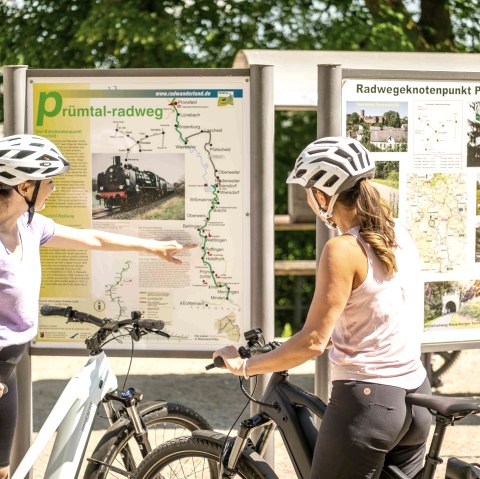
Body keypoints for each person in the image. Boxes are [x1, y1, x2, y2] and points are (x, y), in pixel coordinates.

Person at [214, 136, 431, 479]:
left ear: (322, 195)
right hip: (417, 399)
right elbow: (381, 308)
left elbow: (312, 342)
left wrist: (245, 366)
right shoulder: (397, 233)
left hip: (369, 404)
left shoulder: (341, 250)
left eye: (307, 190)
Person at [0, 134, 195, 479]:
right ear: (25, 186)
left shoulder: (30, 226)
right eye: (49, 182)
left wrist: (151, 247)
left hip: (8, 365)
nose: (53, 189)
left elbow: (92, 237)